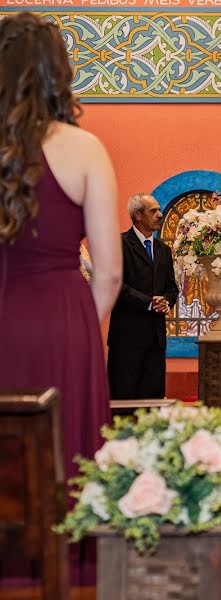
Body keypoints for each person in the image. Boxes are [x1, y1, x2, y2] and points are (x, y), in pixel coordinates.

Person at [0, 12, 121, 585]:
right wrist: (79, 331)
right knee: (64, 458)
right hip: (62, 317)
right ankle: (69, 579)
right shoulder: (84, 148)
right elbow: (111, 274)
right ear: (59, 73)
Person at [107, 193, 179, 399]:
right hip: (126, 339)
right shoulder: (118, 244)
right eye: (153, 211)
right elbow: (115, 285)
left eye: (159, 210)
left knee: (153, 405)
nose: (160, 214)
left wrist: (166, 301)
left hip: (156, 340)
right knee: (123, 403)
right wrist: (150, 303)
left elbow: (172, 288)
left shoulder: (163, 250)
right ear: (138, 215)